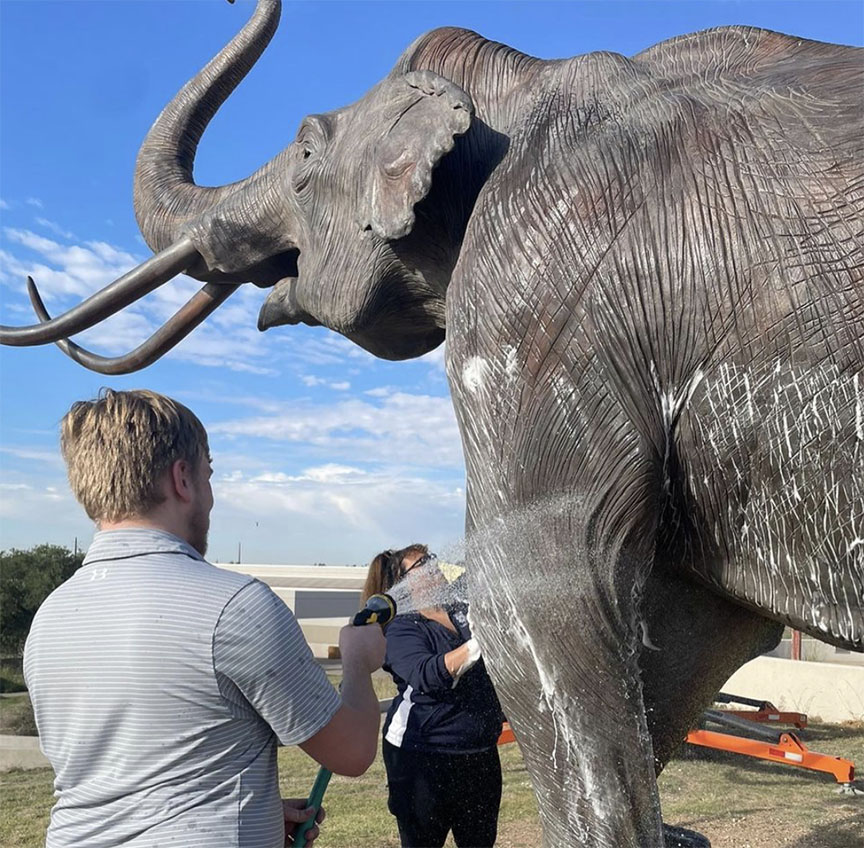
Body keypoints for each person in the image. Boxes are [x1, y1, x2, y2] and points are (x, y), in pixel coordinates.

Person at [24, 389, 385, 848]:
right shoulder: (236, 606)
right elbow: (351, 751)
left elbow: (120, 778)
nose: (211, 496)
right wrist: (358, 661)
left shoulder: (49, 617)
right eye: (207, 475)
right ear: (182, 479)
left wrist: (250, 813)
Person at [365, 544, 504, 848]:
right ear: (402, 582)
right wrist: (478, 644)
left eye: (432, 559)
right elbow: (426, 675)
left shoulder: (462, 612)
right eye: (422, 564)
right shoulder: (402, 626)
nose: (433, 566)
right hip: (422, 757)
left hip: (479, 754)